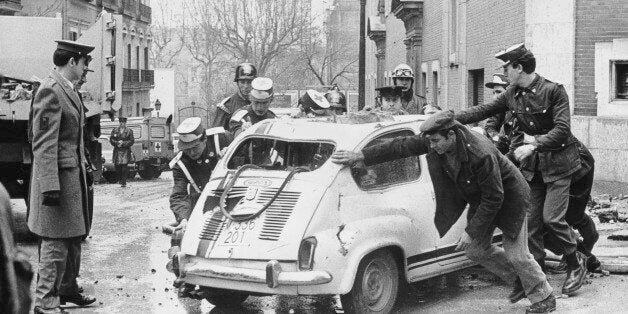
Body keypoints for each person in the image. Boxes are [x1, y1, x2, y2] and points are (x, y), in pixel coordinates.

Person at [332, 110, 555, 313]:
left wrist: (471, 231)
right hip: (481, 200)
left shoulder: (481, 153)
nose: (433, 146)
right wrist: (361, 155)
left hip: (509, 198)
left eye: (437, 141)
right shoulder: (435, 139)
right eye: (430, 141)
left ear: (452, 135)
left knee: (517, 254)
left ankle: (544, 296)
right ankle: (520, 280)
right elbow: (401, 145)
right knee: (475, 251)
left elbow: (495, 197)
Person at [454, 43, 588, 294]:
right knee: (532, 223)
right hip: (533, 168)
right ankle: (538, 281)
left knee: (552, 219)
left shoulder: (554, 91)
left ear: (520, 67)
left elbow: (562, 130)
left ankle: (575, 261)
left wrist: (534, 146)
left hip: (559, 164)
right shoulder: (512, 93)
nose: (504, 72)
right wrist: (450, 117)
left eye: (507, 67)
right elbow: (483, 110)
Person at [483, 73, 601, 273]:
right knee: (538, 221)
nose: (496, 97)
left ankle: (585, 254)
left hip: (573, 164)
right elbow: (490, 125)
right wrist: (495, 137)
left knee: (566, 216)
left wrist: (502, 164)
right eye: (494, 92)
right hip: (538, 167)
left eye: (500, 92)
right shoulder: (505, 108)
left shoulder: (525, 110)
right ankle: (556, 265)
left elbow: (520, 148)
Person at [28, 39, 97, 314]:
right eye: (83, 64)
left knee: (73, 237)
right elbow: (43, 143)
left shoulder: (67, 89)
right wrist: (49, 188)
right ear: (72, 62)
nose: (84, 70)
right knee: (55, 241)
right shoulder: (51, 91)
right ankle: (45, 303)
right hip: (57, 180)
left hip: (71, 177)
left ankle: (67, 289)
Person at [167, 117, 228, 297]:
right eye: (187, 149)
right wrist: (184, 218)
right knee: (181, 236)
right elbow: (179, 194)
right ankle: (184, 277)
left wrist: (230, 152)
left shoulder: (221, 140)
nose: (191, 153)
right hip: (201, 203)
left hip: (231, 198)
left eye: (195, 147)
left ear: (204, 139)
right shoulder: (180, 163)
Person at [211, 62, 258, 132]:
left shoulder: (259, 104)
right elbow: (216, 134)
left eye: (249, 82)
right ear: (237, 83)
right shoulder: (226, 106)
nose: (246, 86)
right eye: (242, 82)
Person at [109, 117, 134, 188]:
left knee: (124, 167)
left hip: (125, 150)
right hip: (117, 150)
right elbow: (111, 139)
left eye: (123, 123)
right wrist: (117, 143)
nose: (121, 124)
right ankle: (120, 179)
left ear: (125, 123)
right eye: (120, 122)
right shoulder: (115, 130)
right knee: (117, 167)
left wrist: (123, 143)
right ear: (119, 122)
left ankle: (124, 182)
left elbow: (131, 141)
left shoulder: (129, 131)